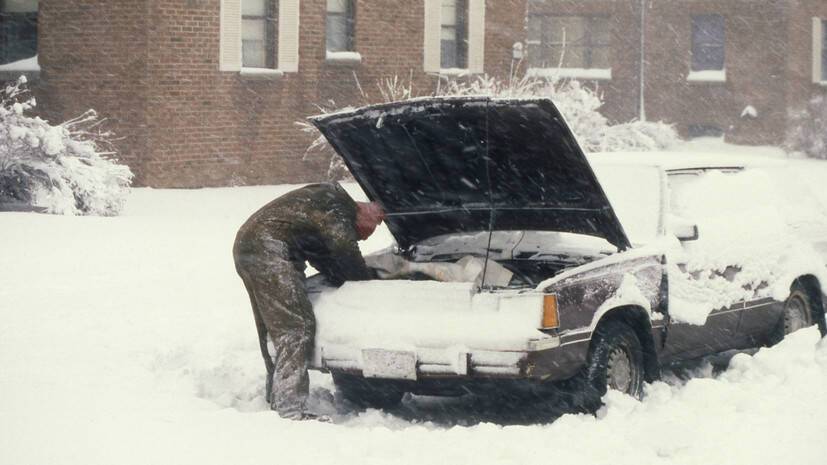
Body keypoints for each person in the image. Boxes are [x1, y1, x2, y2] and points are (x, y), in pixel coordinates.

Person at [233, 183, 384, 420]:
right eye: (361, 233)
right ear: (366, 215)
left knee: (272, 324)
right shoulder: (335, 204)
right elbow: (344, 248)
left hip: (252, 245)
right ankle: (291, 408)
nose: (360, 239)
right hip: (268, 248)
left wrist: (344, 277)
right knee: (295, 327)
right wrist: (365, 282)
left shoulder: (322, 211)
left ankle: (277, 396)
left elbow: (325, 257)